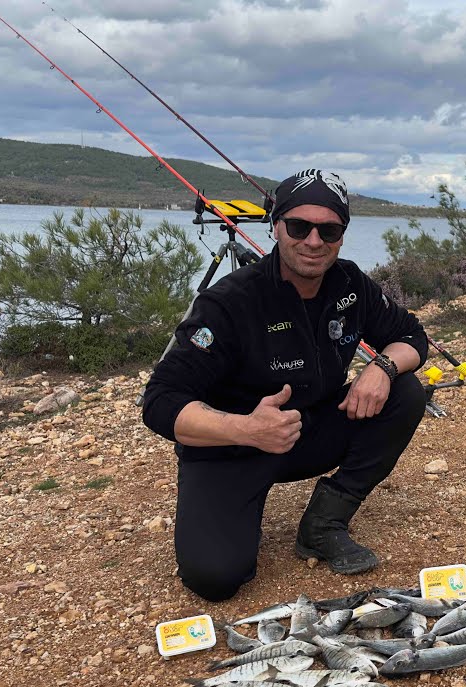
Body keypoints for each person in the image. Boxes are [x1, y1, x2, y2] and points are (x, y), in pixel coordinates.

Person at [142, 169, 429, 602]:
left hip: (311, 430)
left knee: (404, 391)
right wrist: (245, 429)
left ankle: (324, 522)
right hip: (232, 448)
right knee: (215, 578)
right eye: (299, 226)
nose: (314, 241)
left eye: (329, 229)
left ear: (342, 235)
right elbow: (160, 401)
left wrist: (381, 368)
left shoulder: (351, 284)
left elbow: (411, 336)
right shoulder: (229, 302)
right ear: (276, 226)